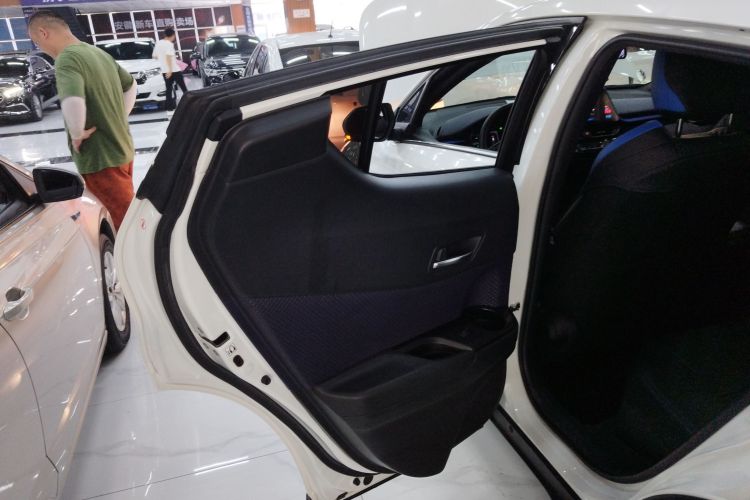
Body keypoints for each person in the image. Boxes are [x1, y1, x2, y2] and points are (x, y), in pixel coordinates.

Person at [28, 10, 136, 230]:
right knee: (126, 211)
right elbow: (131, 84)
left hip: (100, 155)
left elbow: (72, 98)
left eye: (36, 42)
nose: (40, 48)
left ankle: (134, 252)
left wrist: (77, 133)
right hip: (121, 148)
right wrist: (119, 117)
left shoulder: (67, 58)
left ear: (43, 32)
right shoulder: (97, 53)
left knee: (122, 221)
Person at [153, 27, 187, 114]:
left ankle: (169, 107)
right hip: (173, 70)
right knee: (183, 88)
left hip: (164, 70)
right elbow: (168, 57)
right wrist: (170, 70)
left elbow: (155, 56)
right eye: (174, 35)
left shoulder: (159, 43)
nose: (174, 37)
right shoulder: (169, 44)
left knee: (168, 89)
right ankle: (190, 104)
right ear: (172, 35)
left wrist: (162, 60)